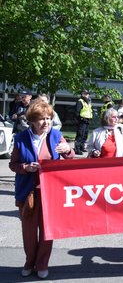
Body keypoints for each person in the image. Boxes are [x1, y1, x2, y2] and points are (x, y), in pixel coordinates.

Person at [9, 101, 74, 279]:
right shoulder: (21, 138)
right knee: (29, 232)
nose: (46, 122)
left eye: (48, 118)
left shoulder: (55, 135)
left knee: (47, 231)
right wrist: (25, 167)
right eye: (41, 119)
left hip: (49, 192)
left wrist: (68, 149)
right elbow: (12, 164)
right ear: (32, 120)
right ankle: (30, 262)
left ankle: (42, 263)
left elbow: (71, 157)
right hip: (27, 192)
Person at [74, 89, 93, 155]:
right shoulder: (80, 101)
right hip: (82, 120)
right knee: (80, 135)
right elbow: (77, 112)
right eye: (85, 93)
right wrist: (80, 119)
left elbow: (89, 111)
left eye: (87, 94)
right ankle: (77, 149)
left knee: (85, 135)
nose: (87, 95)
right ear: (82, 94)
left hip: (87, 120)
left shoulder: (88, 102)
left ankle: (82, 147)